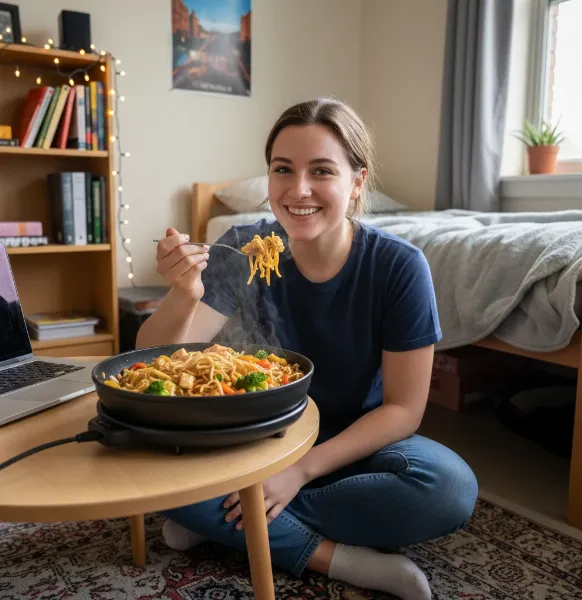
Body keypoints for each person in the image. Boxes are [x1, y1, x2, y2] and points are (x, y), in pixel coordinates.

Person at [137, 98, 478, 600]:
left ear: (357, 182)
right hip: (259, 435)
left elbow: (404, 409)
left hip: (356, 441)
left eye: (322, 171)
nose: (298, 191)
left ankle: (226, 519)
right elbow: (156, 361)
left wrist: (298, 471)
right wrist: (184, 293)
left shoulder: (400, 267)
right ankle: (334, 557)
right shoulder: (244, 248)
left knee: (449, 489)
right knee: (147, 454)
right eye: (283, 170)